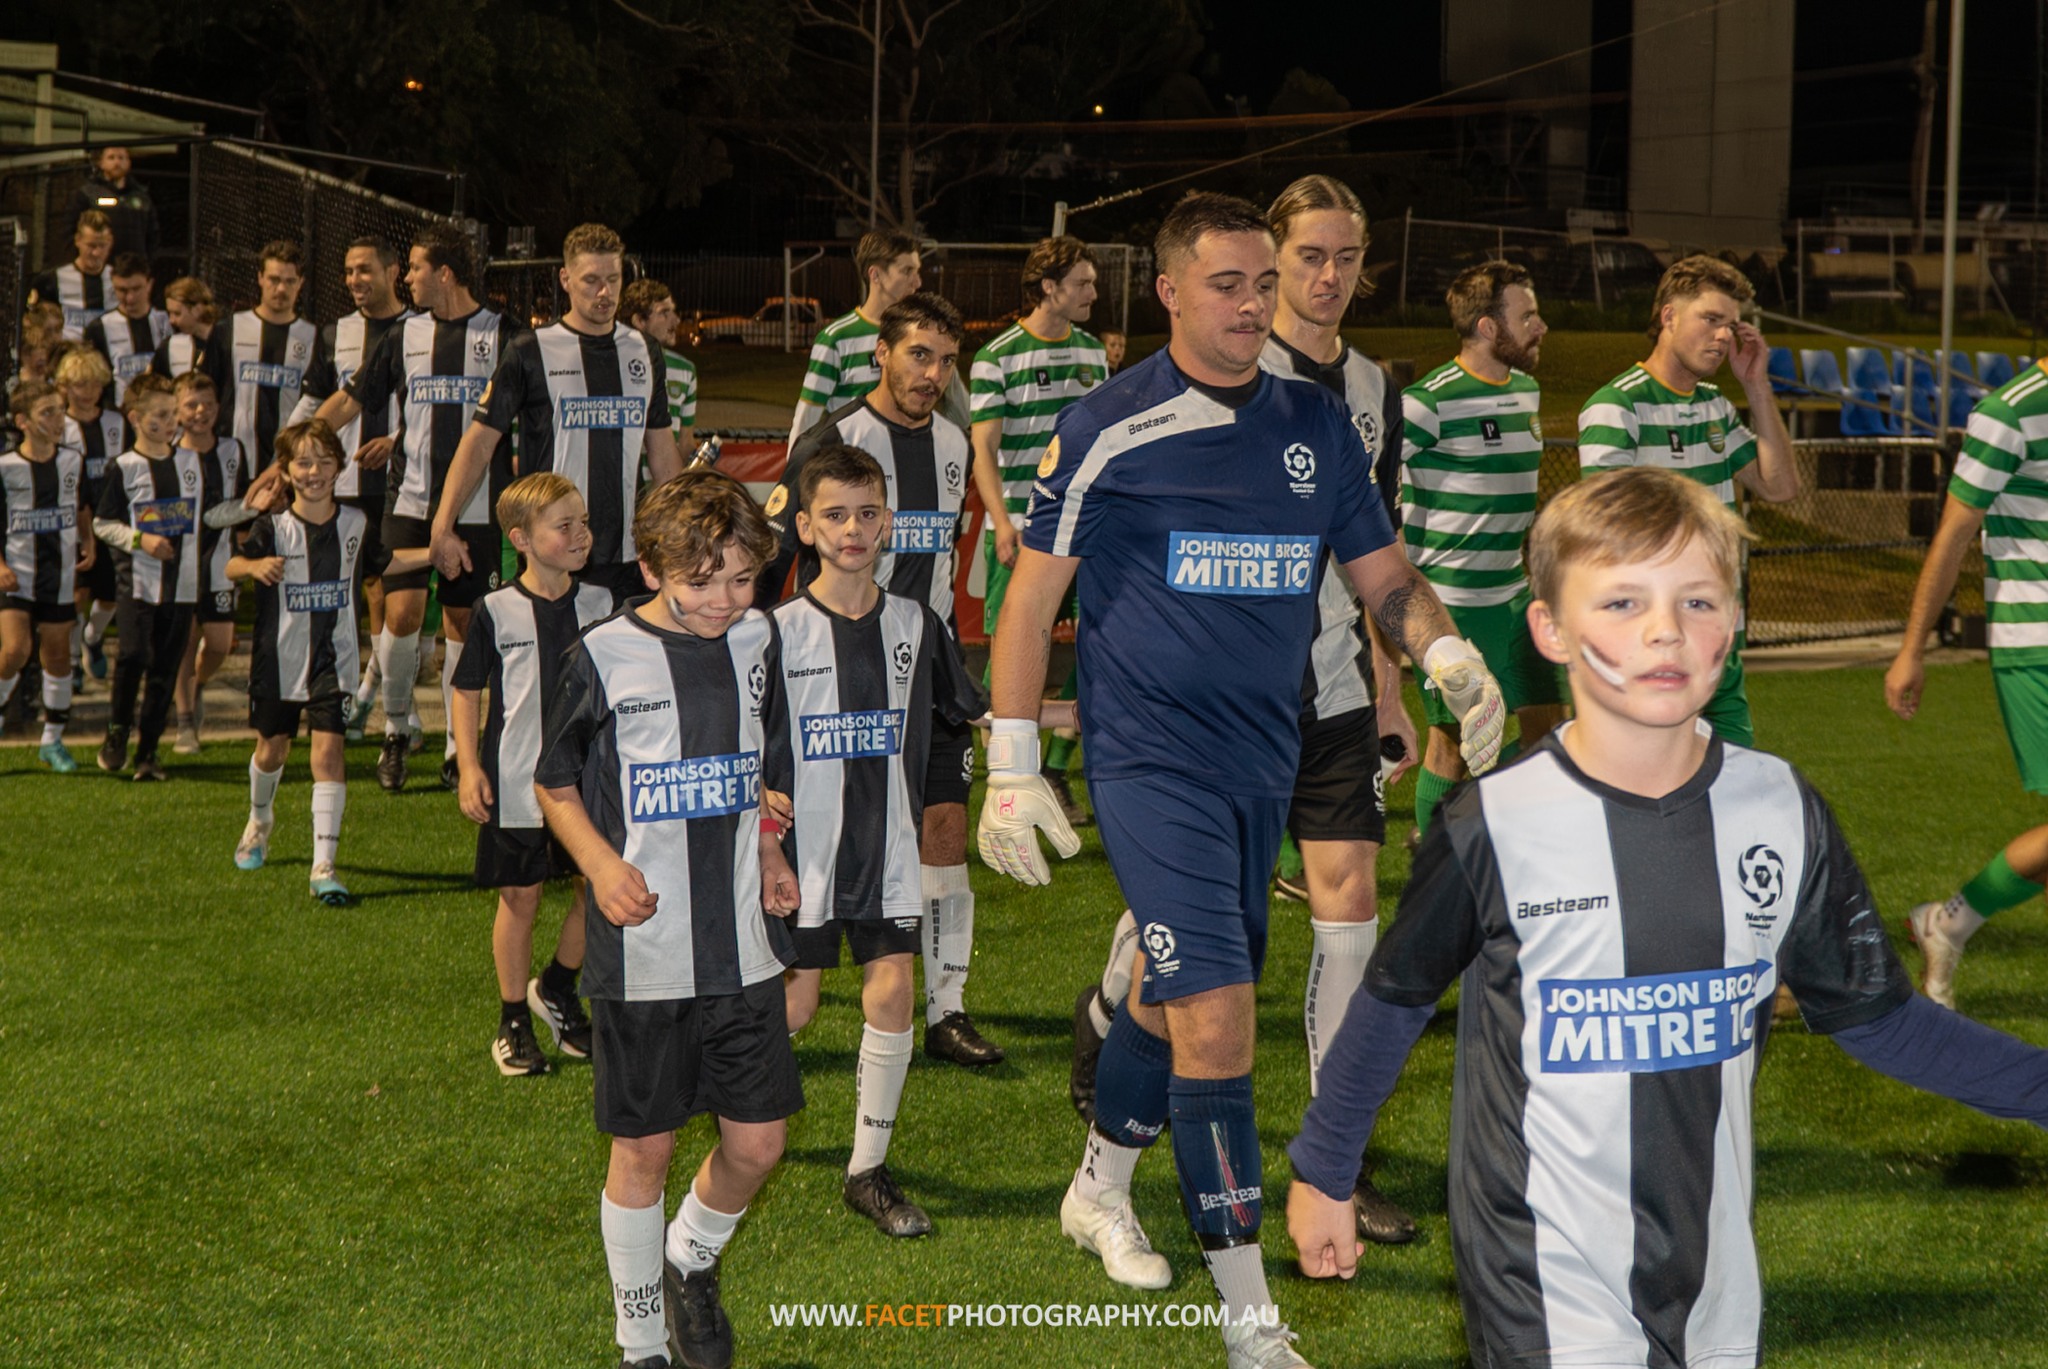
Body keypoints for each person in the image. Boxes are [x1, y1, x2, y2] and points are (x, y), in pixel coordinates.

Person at [1288, 466, 2048, 1368]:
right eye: (1621, 602)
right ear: (1552, 630)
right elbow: (1394, 1000)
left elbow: (1885, 1022)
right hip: (1539, 1264)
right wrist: (1324, 1170)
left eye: (1697, 599)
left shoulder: (1780, 809)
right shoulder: (1495, 821)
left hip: (1713, 1264)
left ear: (1734, 621)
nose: (1664, 630)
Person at [978, 191, 1504, 1369]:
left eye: (1262, 283)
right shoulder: (1107, 423)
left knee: (1170, 1002)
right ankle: (1249, 1324)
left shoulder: (1315, 424)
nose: (1253, 303)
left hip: (1266, 755)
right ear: (1166, 289)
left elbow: (1382, 574)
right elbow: (1028, 600)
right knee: (1218, 1025)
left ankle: (1095, 1187)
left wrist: (1443, 651)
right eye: (1229, 283)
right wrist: (1011, 762)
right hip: (1147, 760)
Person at [533, 469, 802, 1369]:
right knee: (642, 1149)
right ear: (652, 568)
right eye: (701, 581)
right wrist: (602, 864)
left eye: (741, 578)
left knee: (759, 1141)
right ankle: (640, 1339)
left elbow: (758, 759)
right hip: (645, 950)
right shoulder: (604, 652)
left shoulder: (758, 635)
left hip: (743, 947)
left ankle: (690, 1256)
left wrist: (768, 847)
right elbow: (554, 778)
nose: (725, 600)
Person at [771, 444, 1022, 1236]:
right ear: (806, 526)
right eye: (836, 515)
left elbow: (972, 710)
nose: (854, 528)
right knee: (797, 1005)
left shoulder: (918, 624)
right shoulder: (772, 634)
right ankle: (701, 1080)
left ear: (889, 524)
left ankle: (866, 1171)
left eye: (868, 513)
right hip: (802, 860)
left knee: (892, 993)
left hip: (886, 854)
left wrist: (1043, 740)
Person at [762, 292, 998, 1066]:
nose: (932, 373)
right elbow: (774, 556)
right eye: (917, 355)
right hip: (836, 682)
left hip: (930, 670)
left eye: (944, 357)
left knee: (944, 833)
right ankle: (788, 982)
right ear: (881, 356)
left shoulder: (956, 443)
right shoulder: (834, 440)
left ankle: (948, 1009)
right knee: (827, 842)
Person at [312, 223, 518, 791]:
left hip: (478, 509)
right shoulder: (403, 335)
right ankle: (397, 729)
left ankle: (458, 747)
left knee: (462, 622)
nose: (406, 277)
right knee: (400, 618)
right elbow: (352, 399)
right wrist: (299, 444)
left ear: (445, 273)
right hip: (409, 500)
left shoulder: (504, 334)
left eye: (416, 268)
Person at [1577, 254, 1799, 749]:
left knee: (1736, 783)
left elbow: (1780, 487)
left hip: (1718, 638)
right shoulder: (1617, 407)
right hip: (1652, 645)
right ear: (1669, 317)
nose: (1724, 336)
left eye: (1732, 325)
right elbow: (1607, 534)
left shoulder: (1713, 406)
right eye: (1711, 319)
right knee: (1648, 789)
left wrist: (1756, 385)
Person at [1884, 356, 2048, 1007]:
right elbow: (1952, 536)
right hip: (2036, 645)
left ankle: (1946, 922)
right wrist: (1911, 650)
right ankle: (1949, 921)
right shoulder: (2009, 413)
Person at [450, 472, 613, 1076]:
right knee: (519, 898)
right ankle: (514, 1016)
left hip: (586, 785)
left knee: (595, 890)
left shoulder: (602, 605)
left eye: (584, 522)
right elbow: (466, 691)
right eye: (563, 526)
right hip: (517, 784)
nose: (581, 535)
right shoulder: (495, 610)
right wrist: (469, 766)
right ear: (521, 537)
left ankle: (561, 989)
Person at [432, 222, 681, 608]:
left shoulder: (644, 351)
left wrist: (679, 531)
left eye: (613, 280)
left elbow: (663, 452)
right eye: (591, 280)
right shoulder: (530, 349)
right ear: (565, 279)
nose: (605, 292)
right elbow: (480, 442)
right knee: (550, 668)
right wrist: (442, 524)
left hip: (627, 558)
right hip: (551, 559)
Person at [1403, 260, 1568, 836]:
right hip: (1449, 607)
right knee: (1451, 746)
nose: (1541, 326)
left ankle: (1510, 843)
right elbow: (1363, 478)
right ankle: (1434, 864)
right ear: (1488, 328)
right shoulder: (1428, 401)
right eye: (1527, 316)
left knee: (1551, 729)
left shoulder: (1526, 388)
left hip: (1515, 598)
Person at [968, 237, 1108, 830]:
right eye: (1082, 283)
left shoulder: (1095, 354)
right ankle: (1000, 761)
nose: (1093, 293)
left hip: (1090, 527)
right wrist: (1002, 523)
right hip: (1027, 529)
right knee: (1013, 650)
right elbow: (984, 450)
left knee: (1103, 643)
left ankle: (1054, 763)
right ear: (1048, 288)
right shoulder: (995, 357)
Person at [227, 421, 374, 905]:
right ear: (287, 472)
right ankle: (259, 820)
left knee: (329, 755)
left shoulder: (356, 524)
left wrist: (436, 551)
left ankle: (323, 865)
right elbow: (232, 564)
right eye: (303, 463)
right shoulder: (273, 527)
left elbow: (383, 562)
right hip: (278, 661)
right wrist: (253, 567)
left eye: (324, 461)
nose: (314, 472)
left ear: (339, 465)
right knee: (272, 751)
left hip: (337, 660)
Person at [293, 237, 414, 738]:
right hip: (339, 485)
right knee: (345, 591)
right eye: (347, 272)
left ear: (394, 271)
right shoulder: (335, 333)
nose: (354, 281)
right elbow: (314, 403)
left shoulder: (422, 331)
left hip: (402, 485)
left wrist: (398, 438)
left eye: (364, 270)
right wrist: (288, 455)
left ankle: (373, 698)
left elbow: (436, 414)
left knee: (391, 593)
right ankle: (343, 696)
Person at [91, 374, 240, 779]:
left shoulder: (191, 462)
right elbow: (104, 524)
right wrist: (142, 540)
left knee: (164, 669)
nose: (172, 421)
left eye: (173, 414)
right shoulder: (123, 467)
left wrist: (251, 507)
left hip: (184, 585)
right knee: (134, 656)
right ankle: (118, 730)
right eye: (162, 414)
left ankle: (149, 753)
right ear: (136, 418)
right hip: (138, 583)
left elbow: (207, 516)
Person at [0, 380, 93, 771]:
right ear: (22, 421)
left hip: (59, 574)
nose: (59, 420)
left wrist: (88, 539)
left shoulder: (73, 459)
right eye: (48, 412)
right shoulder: (5, 468)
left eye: (60, 410)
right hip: (16, 574)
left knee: (57, 654)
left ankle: (51, 741)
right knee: (15, 650)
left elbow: (82, 504)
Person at [170, 373, 249, 755]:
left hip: (219, 561)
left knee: (218, 643)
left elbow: (246, 501)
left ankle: (197, 684)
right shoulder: (166, 452)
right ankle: (185, 722)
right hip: (177, 564)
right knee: (183, 642)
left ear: (219, 408)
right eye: (191, 405)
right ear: (176, 410)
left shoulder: (233, 449)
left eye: (208, 405)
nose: (200, 412)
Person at [787, 230, 923, 448]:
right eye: (907, 271)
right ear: (875, 275)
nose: (917, 282)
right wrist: (791, 478)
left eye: (917, 271)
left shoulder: (919, 335)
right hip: (854, 473)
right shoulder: (837, 338)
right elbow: (807, 418)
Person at [55, 346, 124, 683]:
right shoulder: (58, 426)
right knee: (76, 591)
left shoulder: (116, 422)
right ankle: (70, 662)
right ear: (65, 387)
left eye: (95, 384)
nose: (88, 392)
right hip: (71, 518)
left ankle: (92, 639)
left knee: (110, 595)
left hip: (111, 517)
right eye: (80, 384)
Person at [227, 242, 322, 483]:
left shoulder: (313, 337)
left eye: (290, 281)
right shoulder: (230, 329)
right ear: (260, 278)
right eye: (274, 279)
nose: (281, 288)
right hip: (232, 460)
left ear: (300, 283)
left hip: (287, 463)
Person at [81, 253, 170, 409]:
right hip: (118, 414)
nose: (130, 298)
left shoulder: (167, 322)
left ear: (149, 284)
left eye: (136, 289)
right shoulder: (98, 328)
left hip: (161, 411)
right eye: (122, 290)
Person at [621, 278, 698, 449]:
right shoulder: (613, 364)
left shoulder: (685, 370)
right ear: (639, 321)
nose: (676, 320)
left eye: (673, 311)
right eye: (664, 313)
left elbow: (686, 443)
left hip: (666, 475)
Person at [151, 277, 234, 425]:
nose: (171, 320)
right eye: (170, 313)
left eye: (177, 313)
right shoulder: (170, 346)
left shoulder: (230, 342)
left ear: (197, 309)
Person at [28, 210, 116, 341]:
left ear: (111, 243)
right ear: (78, 240)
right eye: (91, 246)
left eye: (102, 246)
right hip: (66, 355)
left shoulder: (118, 279)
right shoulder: (52, 280)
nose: (96, 253)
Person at [69, 145, 160, 264]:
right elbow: (71, 229)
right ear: (101, 163)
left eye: (121, 158)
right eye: (111, 158)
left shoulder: (142, 197)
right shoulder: (88, 194)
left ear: (129, 162)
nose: (117, 162)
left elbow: (153, 234)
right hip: (100, 265)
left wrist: (148, 261)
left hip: (134, 267)